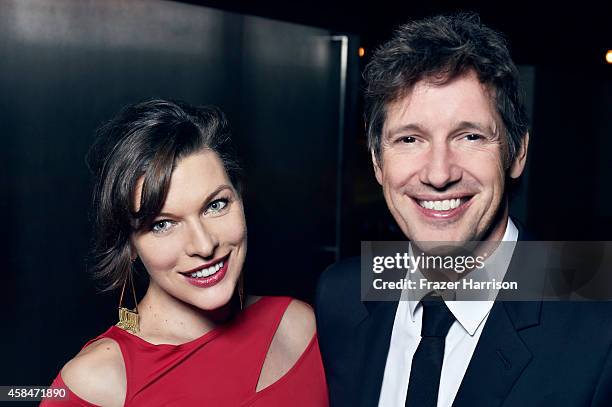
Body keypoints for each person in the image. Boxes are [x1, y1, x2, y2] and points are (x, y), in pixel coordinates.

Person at [315, 13, 612, 407]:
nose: (439, 174)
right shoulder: (342, 294)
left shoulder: (599, 323)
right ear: (377, 162)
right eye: (409, 139)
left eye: (470, 136)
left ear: (517, 151)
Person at [42, 100, 328, 406]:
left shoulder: (298, 325)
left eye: (215, 205)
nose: (204, 246)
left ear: (240, 198)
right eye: (163, 224)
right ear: (129, 245)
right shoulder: (99, 381)